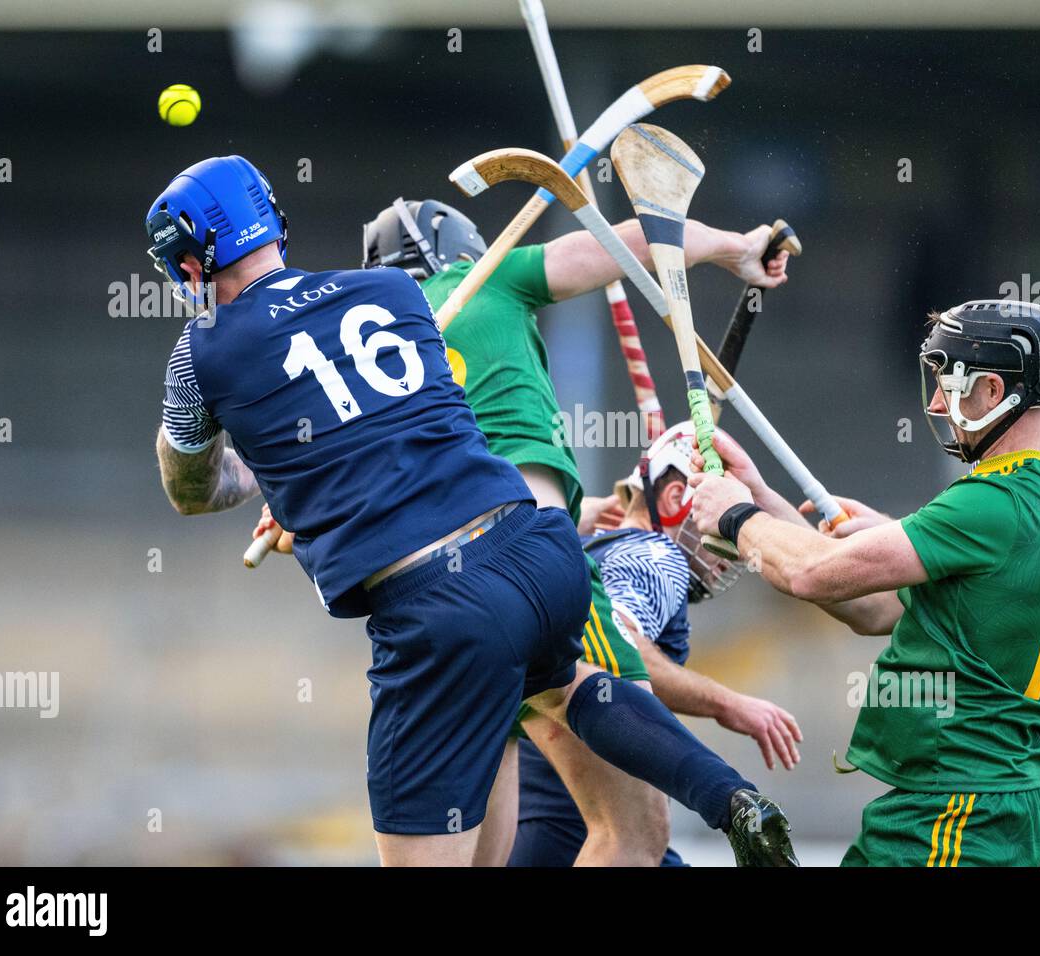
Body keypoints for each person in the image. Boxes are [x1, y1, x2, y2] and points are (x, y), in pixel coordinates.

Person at [153, 158, 789, 866]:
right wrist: (732, 247)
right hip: (539, 552)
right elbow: (388, 434)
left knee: (596, 827)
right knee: (562, 688)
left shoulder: (199, 355)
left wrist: (271, 479)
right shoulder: (395, 295)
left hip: (441, 607)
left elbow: (191, 488)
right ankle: (728, 795)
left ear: (187, 262)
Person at [690, 300, 1040, 866]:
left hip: (955, 812)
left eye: (949, 382)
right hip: (968, 805)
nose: (934, 402)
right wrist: (758, 497)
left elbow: (813, 573)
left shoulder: (991, 503)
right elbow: (875, 608)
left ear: (995, 391)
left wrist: (735, 518)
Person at [510, 423, 803, 867]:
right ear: (672, 501)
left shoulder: (590, 544)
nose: (737, 550)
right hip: (588, 825)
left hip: (550, 818)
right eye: (725, 520)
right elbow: (609, 651)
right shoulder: (656, 556)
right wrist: (727, 703)